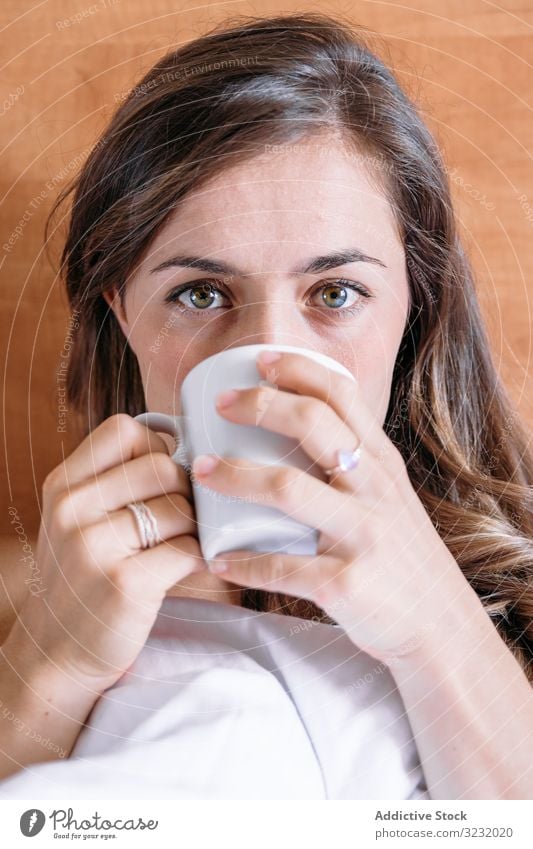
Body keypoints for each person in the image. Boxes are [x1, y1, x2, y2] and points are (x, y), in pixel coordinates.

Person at [0, 11, 531, 800]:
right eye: (201, 292)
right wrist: (46, 670)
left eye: (335, 292)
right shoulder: (31, 596)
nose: (270, 365)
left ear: (414, 306)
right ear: (121, 309)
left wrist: (436, 619)